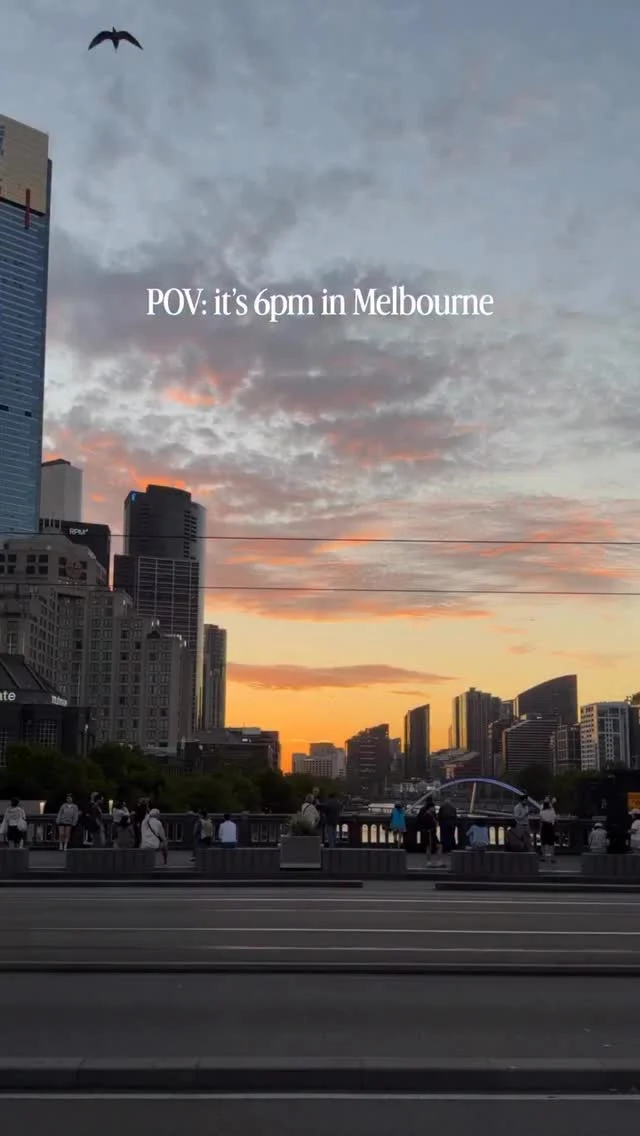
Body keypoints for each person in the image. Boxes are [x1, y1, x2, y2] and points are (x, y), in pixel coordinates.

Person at [416, 796, 439, 863]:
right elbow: (435, 819)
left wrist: (421, 828)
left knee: (427, 845)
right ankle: (433, 860)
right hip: (432, 830)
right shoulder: (432, 810)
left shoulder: (422, 809)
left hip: (425, 830)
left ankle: (428, 860)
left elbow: (419, 819)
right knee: (435, 845)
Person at [539, 797, 557, 862]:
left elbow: (541, 819)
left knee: (543, 842)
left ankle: (543, 856)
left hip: (544, 826)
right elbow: (554, 819)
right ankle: (552, 858)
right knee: (551, 843)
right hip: (550, 826)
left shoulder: (542, 812)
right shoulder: (552, 811)